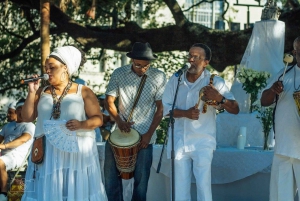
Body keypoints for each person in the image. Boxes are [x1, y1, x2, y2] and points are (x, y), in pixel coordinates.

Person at [21, 46, 108, 201]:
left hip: (75, 150)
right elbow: (27, 117)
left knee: (74, 191)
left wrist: (81, 124)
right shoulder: (41, 91)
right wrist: (31, 92)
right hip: (47, 151)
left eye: (52, 67)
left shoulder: (83, 91)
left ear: (65, 68)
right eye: (46, 68)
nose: (47, 71)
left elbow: (98, 119)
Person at [162, 43, 239, 201]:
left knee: (203, 186)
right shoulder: (176, 80)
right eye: (190, 55)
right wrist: (185, 113)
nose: (191, 59)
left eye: (196, 57)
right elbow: (164, 109)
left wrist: (219, 98)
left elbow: (235, 108)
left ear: (206, 62)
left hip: (203, 141)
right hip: (179, 141)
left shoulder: (215, 82)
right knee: (178, 188)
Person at [104, 42, 167, 201]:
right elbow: (109, 101)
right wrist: (118, 120)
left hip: (146, 134)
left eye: (146, 66)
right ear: (132, 60)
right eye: (139, 65)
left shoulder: (158, 76)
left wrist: (149, 134)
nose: (143, 69)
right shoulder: (119, 73)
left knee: (141, 183)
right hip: (119, 133)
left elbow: (160, 109)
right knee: (111, 179)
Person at [261, 36, 300, 201]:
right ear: (294, 52)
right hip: (284, 147)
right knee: (281, 197)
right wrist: (272, 90)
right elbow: (264, 101)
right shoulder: (283, 74)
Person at [0, 98, 35, 201]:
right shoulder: (8, 126)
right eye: (19, 108)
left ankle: (3, 194)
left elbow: (22, 139)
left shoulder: (30, 126)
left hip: (16, 157)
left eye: (24, 108)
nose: (21, 110)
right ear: (16, 111)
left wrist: (4, 146)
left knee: (0, 162)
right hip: (4, 155)